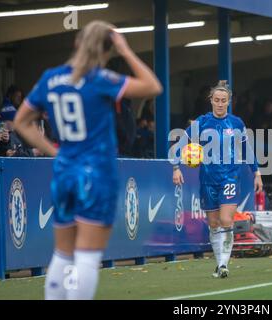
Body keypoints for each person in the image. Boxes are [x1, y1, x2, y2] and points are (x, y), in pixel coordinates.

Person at [14, 20, 162, 299]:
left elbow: (21, 122)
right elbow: (152, 86)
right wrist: (126, 50)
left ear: (76, 43)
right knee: (87, 256)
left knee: (63, 253)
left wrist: (55, 151)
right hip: (96, 172)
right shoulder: (100, 80)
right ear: (108, 50)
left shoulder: (50, 78)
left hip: (65, 170)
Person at [172, 80, 263, 278]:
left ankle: (223, 265)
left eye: (223, 100)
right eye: (217, 100)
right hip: (207, 179)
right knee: (213, 223)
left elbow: (246, 150)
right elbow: (180, 144)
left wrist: (257, 173)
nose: (220, 103)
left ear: (229, 102)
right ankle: (218, 262)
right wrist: (176, 167)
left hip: (230, 177)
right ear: (211, 101)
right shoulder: (202, 123)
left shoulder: (236, 123)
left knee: (226, 220)